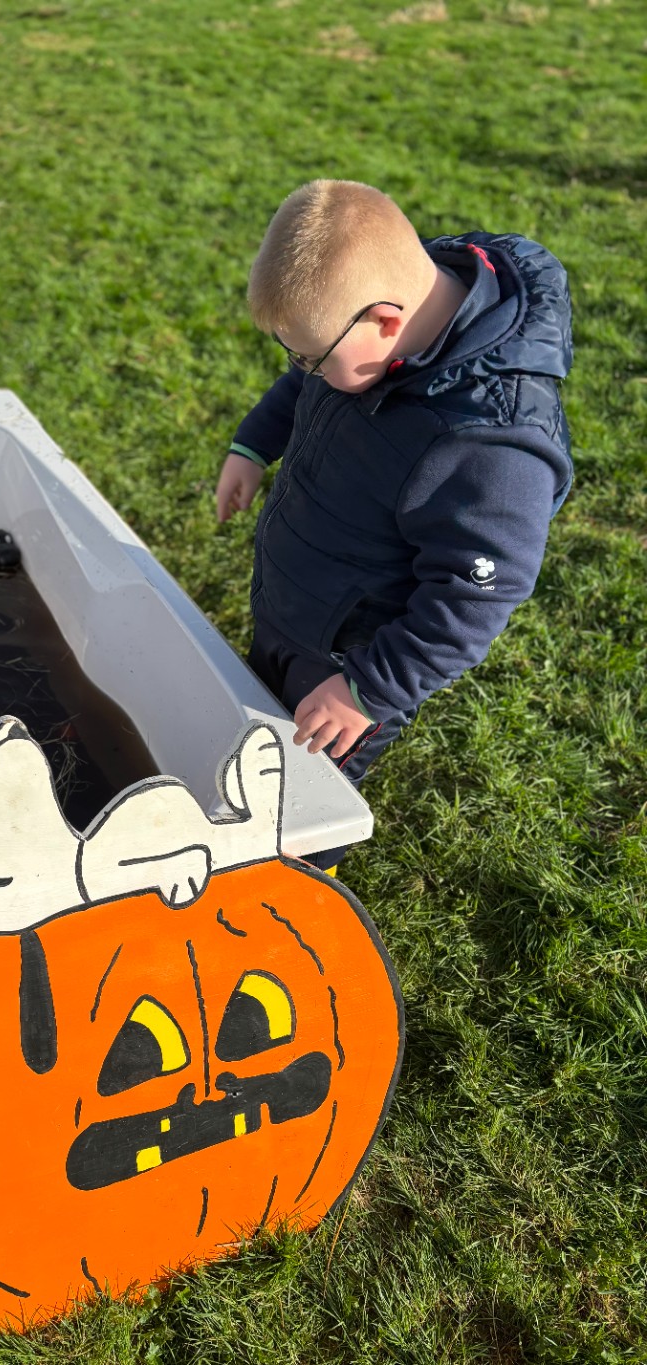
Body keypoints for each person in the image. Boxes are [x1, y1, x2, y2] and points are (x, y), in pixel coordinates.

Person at [215, 179, 573, 872]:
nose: (303, 370)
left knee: (306, 798)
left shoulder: (490, 443)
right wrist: (254, 444)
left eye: (309, 356)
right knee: (253, 734)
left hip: (357, 656)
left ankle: (303, 883)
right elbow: (306, 383)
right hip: (300, 602)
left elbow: (478, 595)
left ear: (384, 321)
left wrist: (366, 689)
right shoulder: (372, 332)